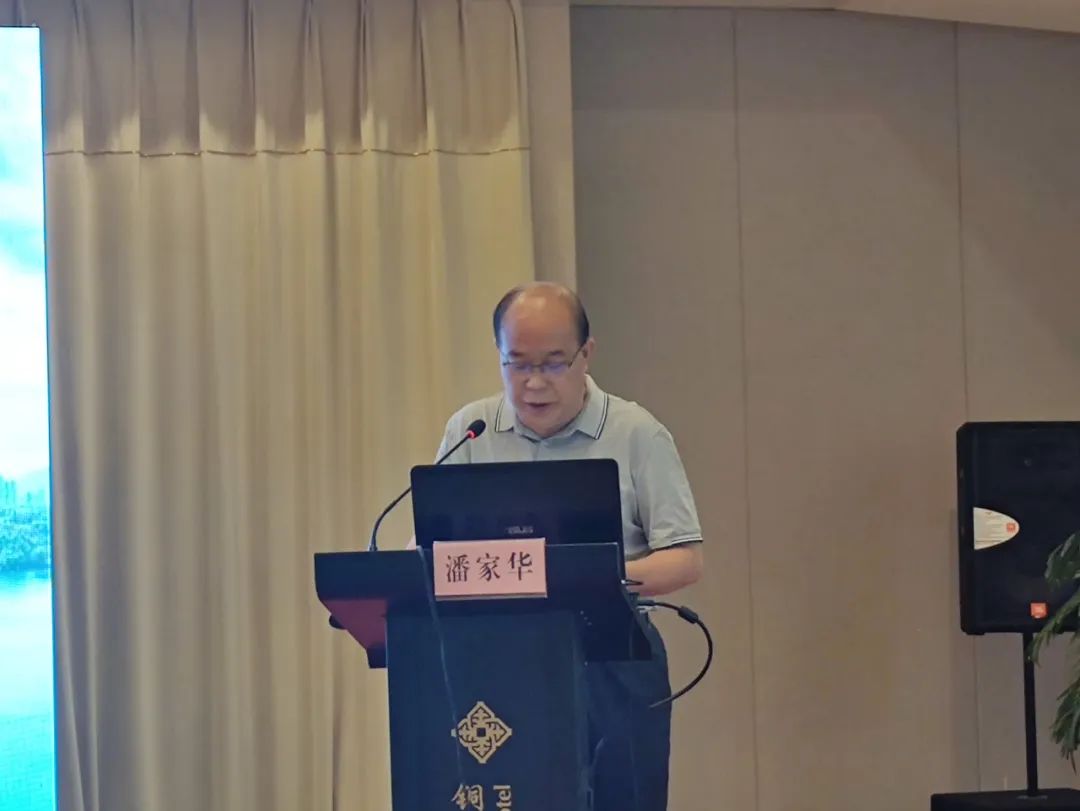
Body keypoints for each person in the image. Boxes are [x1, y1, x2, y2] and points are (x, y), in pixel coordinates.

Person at [432, 281, 704, 811]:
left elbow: (685, 559)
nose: (534, 383)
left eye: (554, 363)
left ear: (587, 354)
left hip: (611, 660)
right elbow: (428, 548)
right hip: (494, 661)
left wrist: (589, 575)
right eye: (517, 364)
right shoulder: (471, 431)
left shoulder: (637, 433)